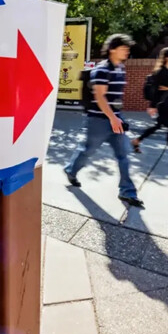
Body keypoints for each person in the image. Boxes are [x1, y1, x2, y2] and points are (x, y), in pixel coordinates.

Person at [64, 34, 143, 207]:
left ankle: (127, 192)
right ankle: (71, 169)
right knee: (87, 150)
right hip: (98, 120)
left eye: (127, 49)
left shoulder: (120, 68)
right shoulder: (101, 70)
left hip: (115, 118)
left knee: (124, 155)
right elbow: (100, 97)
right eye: (123, 48)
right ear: (112, 50)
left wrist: (117, 117)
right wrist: (113, 118)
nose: (127, 52)